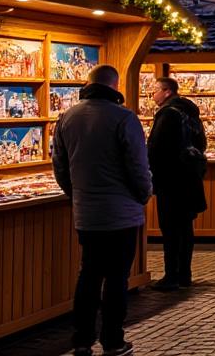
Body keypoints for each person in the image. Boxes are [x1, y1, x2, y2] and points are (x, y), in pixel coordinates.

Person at [52, 65, 151, 356]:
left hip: (87, 212)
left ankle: (82, 339)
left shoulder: (67, 118)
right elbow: (137, 164)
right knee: (118, 277)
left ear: (88, 83)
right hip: (122, 212)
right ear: (115, 85)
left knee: (89, 274)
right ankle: (113, 339)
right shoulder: (124, 118)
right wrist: (143, 194)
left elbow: (59, 164)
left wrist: (76, 194)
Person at [145, 77, 207, 291]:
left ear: (167, 92)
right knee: (185, 227)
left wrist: (151, 173)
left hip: (170, 180)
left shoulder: (167, 114)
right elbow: (202, 144)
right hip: (190, 178)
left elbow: (156, 147)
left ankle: (171, 274)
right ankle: (184, 273)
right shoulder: (190, 113)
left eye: (154, 90)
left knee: (170, 229)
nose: (152, 95)